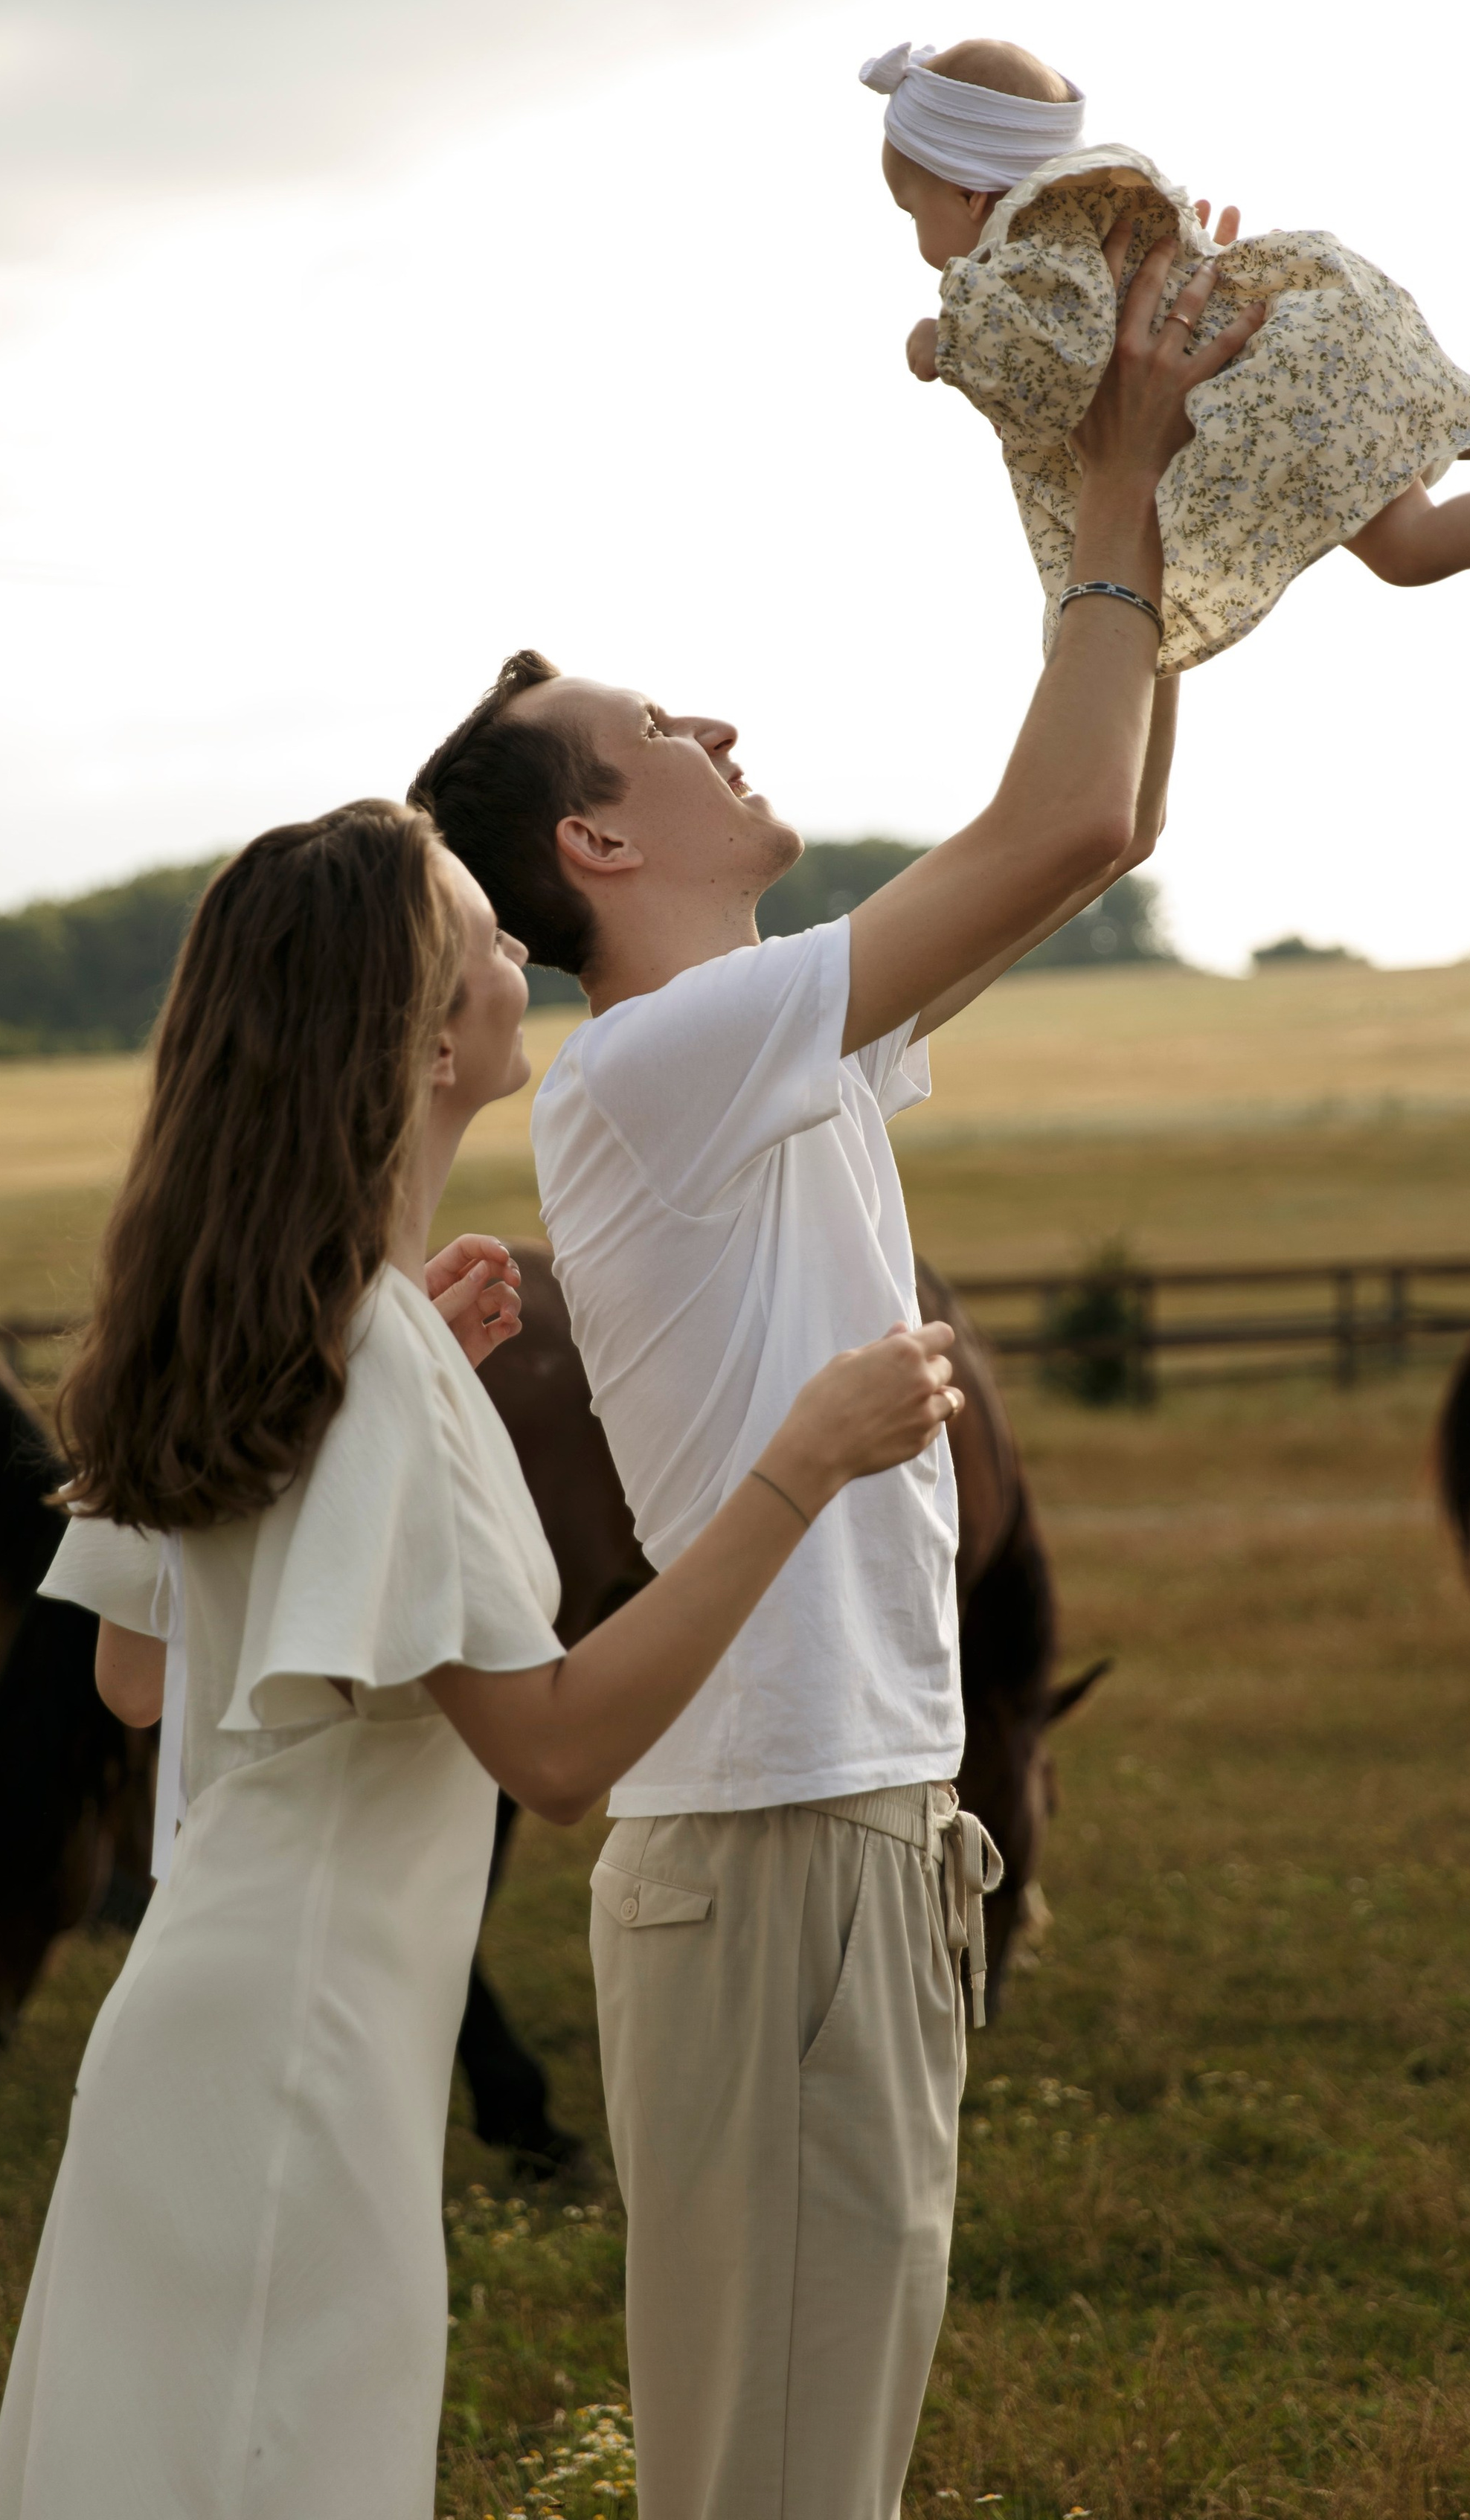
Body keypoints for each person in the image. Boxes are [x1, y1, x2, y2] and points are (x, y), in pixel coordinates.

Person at [407, 228, 1256, 2520]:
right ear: (596, 846)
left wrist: (1124, 500)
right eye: (672, 733)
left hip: (840, 1818)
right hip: (776, 1834)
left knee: (815, 2457)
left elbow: (1115, 820)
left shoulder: (753, 1049)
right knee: (779, 2477)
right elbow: (1059, 819)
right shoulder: (665, 1060)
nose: (726, 732)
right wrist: (1099, 483)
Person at [0, 798, 961, 2520]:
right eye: (481, 938)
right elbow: (562, 1752)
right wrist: (801, 1458)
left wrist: (366, 1425)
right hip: (308, 2044)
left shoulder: (311, 1341)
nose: (522, 951)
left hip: (201, 2022)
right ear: (429, 1037)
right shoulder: (368, 1362)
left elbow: (142, 1683)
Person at [864, 34, 1470, 663]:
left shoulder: (1027, 255)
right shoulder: (1090, 204)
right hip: (1302, 323)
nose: (920, 245)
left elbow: (1053, 368)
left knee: (1406, 549)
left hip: (1265, 387)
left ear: (972, 196)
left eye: (914, 216)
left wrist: (945, 344)